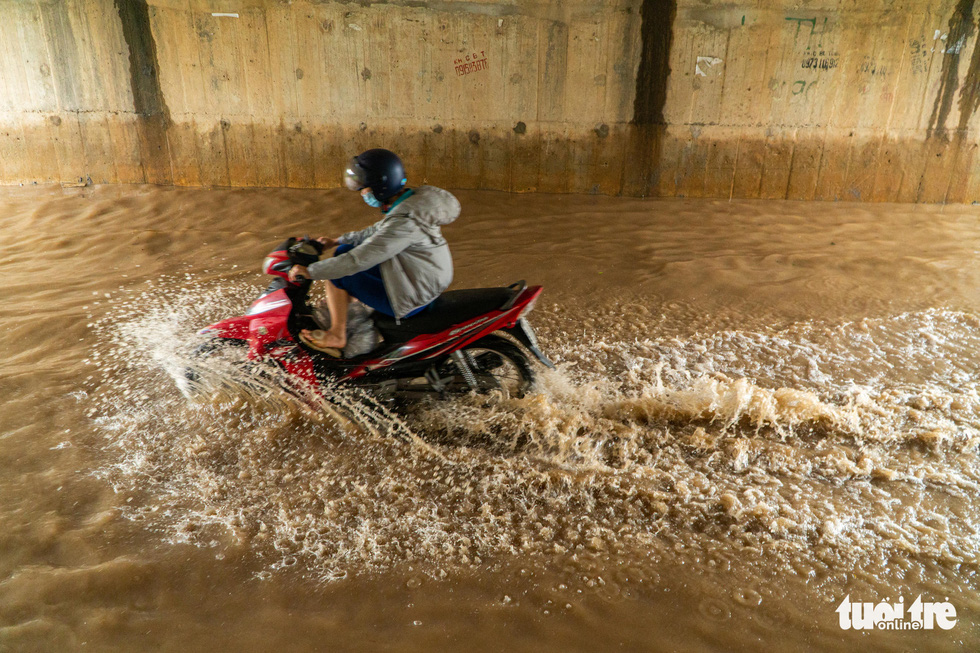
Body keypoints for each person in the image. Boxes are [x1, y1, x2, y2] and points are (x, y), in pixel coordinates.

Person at [288, 148, 460, 355]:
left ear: (380, 188)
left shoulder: (404, 222)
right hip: (424, 276)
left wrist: (312, 271)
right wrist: (336, 241)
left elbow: (358, 261)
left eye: (365, 188)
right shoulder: (412, 204)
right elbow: (377, 232)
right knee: (344, 250)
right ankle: (344, 304)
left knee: (340, 273)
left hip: (414, 297)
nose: (363, 193)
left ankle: (337, 335)